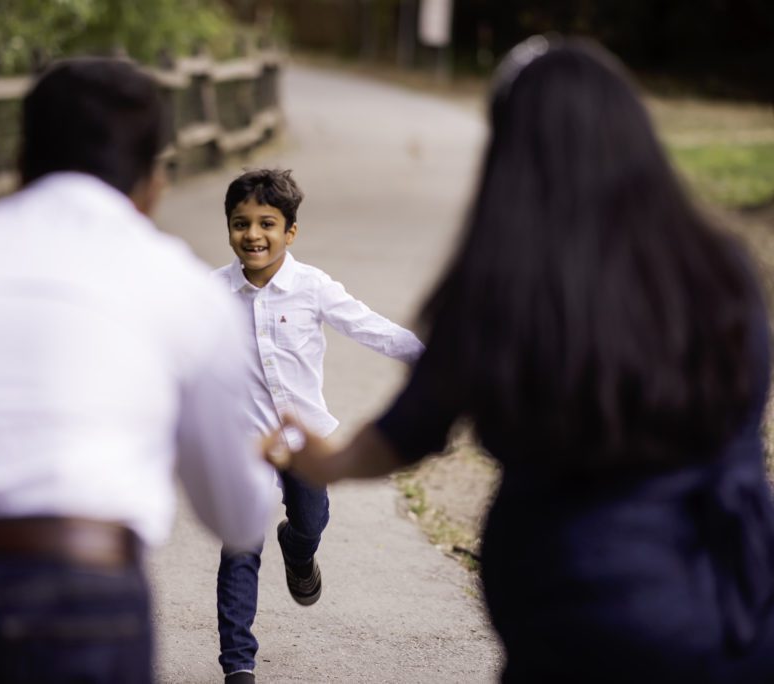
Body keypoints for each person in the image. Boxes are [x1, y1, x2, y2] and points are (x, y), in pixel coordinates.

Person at [265, 37, 774, 683]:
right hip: (735, 600)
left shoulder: (505, 281)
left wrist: (324, 462)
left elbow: (408, 431)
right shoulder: (722, 269)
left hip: (572, 606)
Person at [0, 57, 274, 684]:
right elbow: (237, 517)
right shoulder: (181, 287)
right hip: (75, 593)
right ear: (155, 180)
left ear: (21, 160)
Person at [212, 168, 425, 683]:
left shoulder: (311, 287)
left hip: (304, 443)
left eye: (267, 223)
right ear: (230, 228)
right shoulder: (212, 292)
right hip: (245, 444)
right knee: (239, 547)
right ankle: (238, 663)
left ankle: (299, 549)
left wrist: (434, 362)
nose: (253, 235)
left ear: (290, 232)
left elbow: (367, 325)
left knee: (311, 520)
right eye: (241, 223)